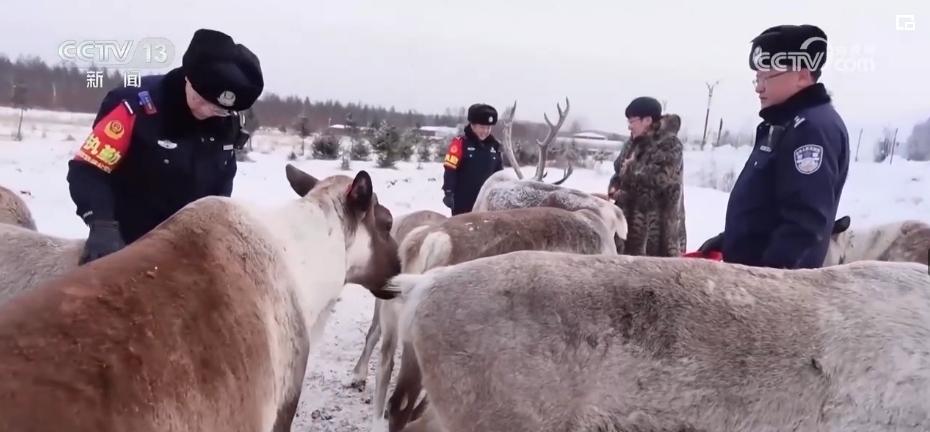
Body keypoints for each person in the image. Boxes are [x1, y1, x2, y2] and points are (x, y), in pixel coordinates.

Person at [67, 29, 264, 265]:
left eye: (219, 109)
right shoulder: (135, 106)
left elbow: (221, 183)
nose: (206, 111)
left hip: (188, 249)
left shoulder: (224, 123)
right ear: (187, 79)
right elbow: (89, 169)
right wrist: (101, 224)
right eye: (200, 100)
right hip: (129, 244)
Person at [696, 24, 849, 269]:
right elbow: (768, 205)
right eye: (757, 78)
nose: (759, 87)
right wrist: (730, 240)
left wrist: (767, 279)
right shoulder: (783, 124)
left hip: (772, 286)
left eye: (767, 77)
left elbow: (805, 223)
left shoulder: (810, 129)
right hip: (750, 276)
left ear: (802, 76)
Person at [611, 97, 684, 257]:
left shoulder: (669, 144)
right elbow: (619, 171)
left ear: (648, 120)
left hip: (655, 235)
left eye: (632, 121)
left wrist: (623, 190)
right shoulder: (631, 143)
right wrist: (614, 185)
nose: (629, 126)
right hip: (627, 228)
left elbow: (657, 180)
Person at [441, 103, 503, 215]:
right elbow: (450, 169)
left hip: (486, 202)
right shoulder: (460, 143)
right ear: (472, 125)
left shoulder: (495, 146)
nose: (485, 131)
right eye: (482, 127)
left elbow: (499, 174)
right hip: (463, 201)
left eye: (488, 128)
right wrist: (448, 192)